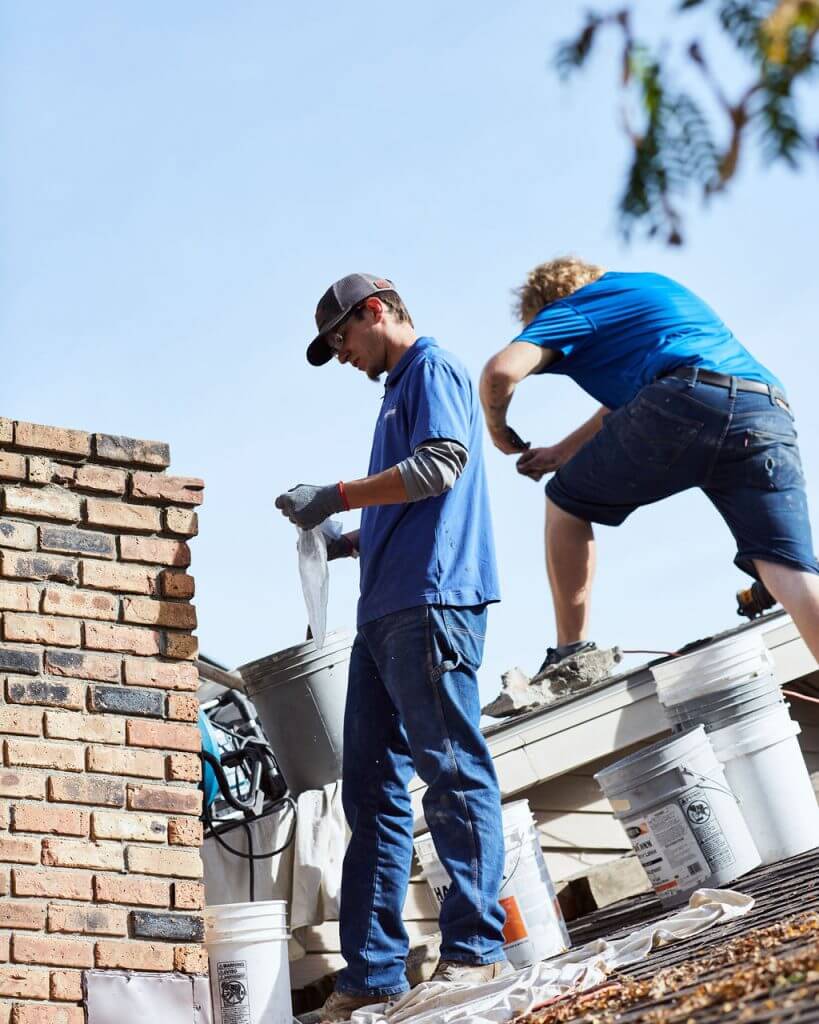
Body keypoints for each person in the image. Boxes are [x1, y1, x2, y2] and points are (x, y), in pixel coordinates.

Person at [275, 273, 508, 1022]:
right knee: (368, 791)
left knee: (450, 769)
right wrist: (345, 537)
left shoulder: (430, 368)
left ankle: (475, 951)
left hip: (430, 601)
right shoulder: (393, 394)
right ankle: (372, 974)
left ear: (374, 311)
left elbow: (442, 466)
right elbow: (407, 496)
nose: (342, 356)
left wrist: (339, 495)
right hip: (386, 613)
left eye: (343, 338)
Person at [479, 257, 819, 675]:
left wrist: (497, 428)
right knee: (791, 576)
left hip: (686, 398)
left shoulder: (572, 306)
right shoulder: (650, 287)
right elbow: (633, 399)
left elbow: (501, 372)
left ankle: (572, 654)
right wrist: (562, 452)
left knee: (565, 502)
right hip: (764, 409)